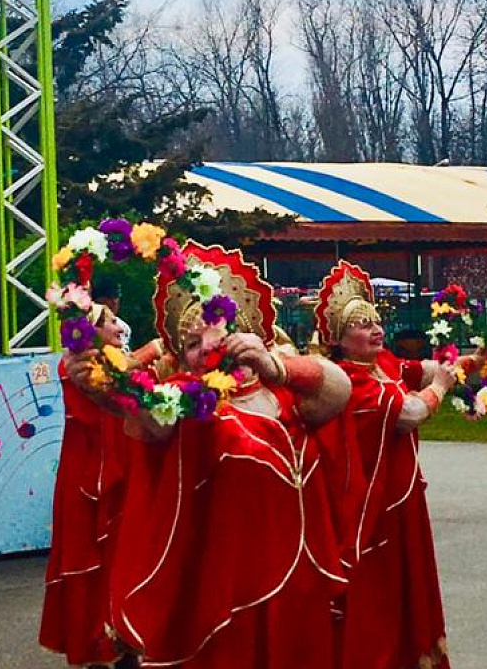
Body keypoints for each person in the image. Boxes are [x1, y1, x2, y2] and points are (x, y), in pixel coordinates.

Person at [65, 241, 350, 669]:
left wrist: (277, 368)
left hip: (297, 582)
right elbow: (147, 412)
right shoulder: (186, 402)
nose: (204, 346)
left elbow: (338, 389)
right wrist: (100, 383)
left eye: (214, 330)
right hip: (222, 590)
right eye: (191, 342)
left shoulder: (284, 392)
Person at [313, 261, 459, 669]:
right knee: (379, 588)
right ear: (340, 340)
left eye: (376, 320)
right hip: (372, 508)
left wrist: (464, 363)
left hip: (405, 499)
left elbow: (422, 369)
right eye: (361, 325)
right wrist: (441, 388)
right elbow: (408, 413)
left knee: (409, 584)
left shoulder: (384, 365)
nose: (375, 329)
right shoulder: (347, 381)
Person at [40, 304, 139, 669]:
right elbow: (122, 378)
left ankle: (126, 640)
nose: (119, 324)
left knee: (124, 556)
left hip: (119, 465)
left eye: (116, 317)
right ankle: (97, 646)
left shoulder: (114, 359)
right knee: (92, 559)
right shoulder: (81, 366)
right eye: (109, 321)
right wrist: (160, 348)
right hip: (89, 474)